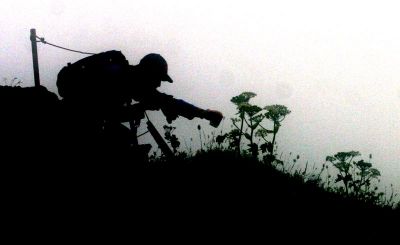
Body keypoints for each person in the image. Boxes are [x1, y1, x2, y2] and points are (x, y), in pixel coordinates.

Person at [56, 50, 223, 162]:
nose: (158, 84)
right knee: (120, 140)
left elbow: (166, 101)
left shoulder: (132, 80)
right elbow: (99, 108)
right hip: (75, 119)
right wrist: (133, 111)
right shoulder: (119, 76)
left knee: (121, 137)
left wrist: (203, 113)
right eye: (157, 78)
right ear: (147, 73)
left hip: (80, 116)